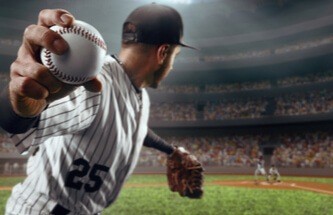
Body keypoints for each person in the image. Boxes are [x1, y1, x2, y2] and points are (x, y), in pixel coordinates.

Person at [0, 3, 201, 214]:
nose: (172, 65)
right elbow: (19, 120)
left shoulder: (141, 95)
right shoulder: (94, 82)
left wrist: (170, 150)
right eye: (174, 57)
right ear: (163, 52)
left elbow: (135, 128)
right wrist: (18, 98)